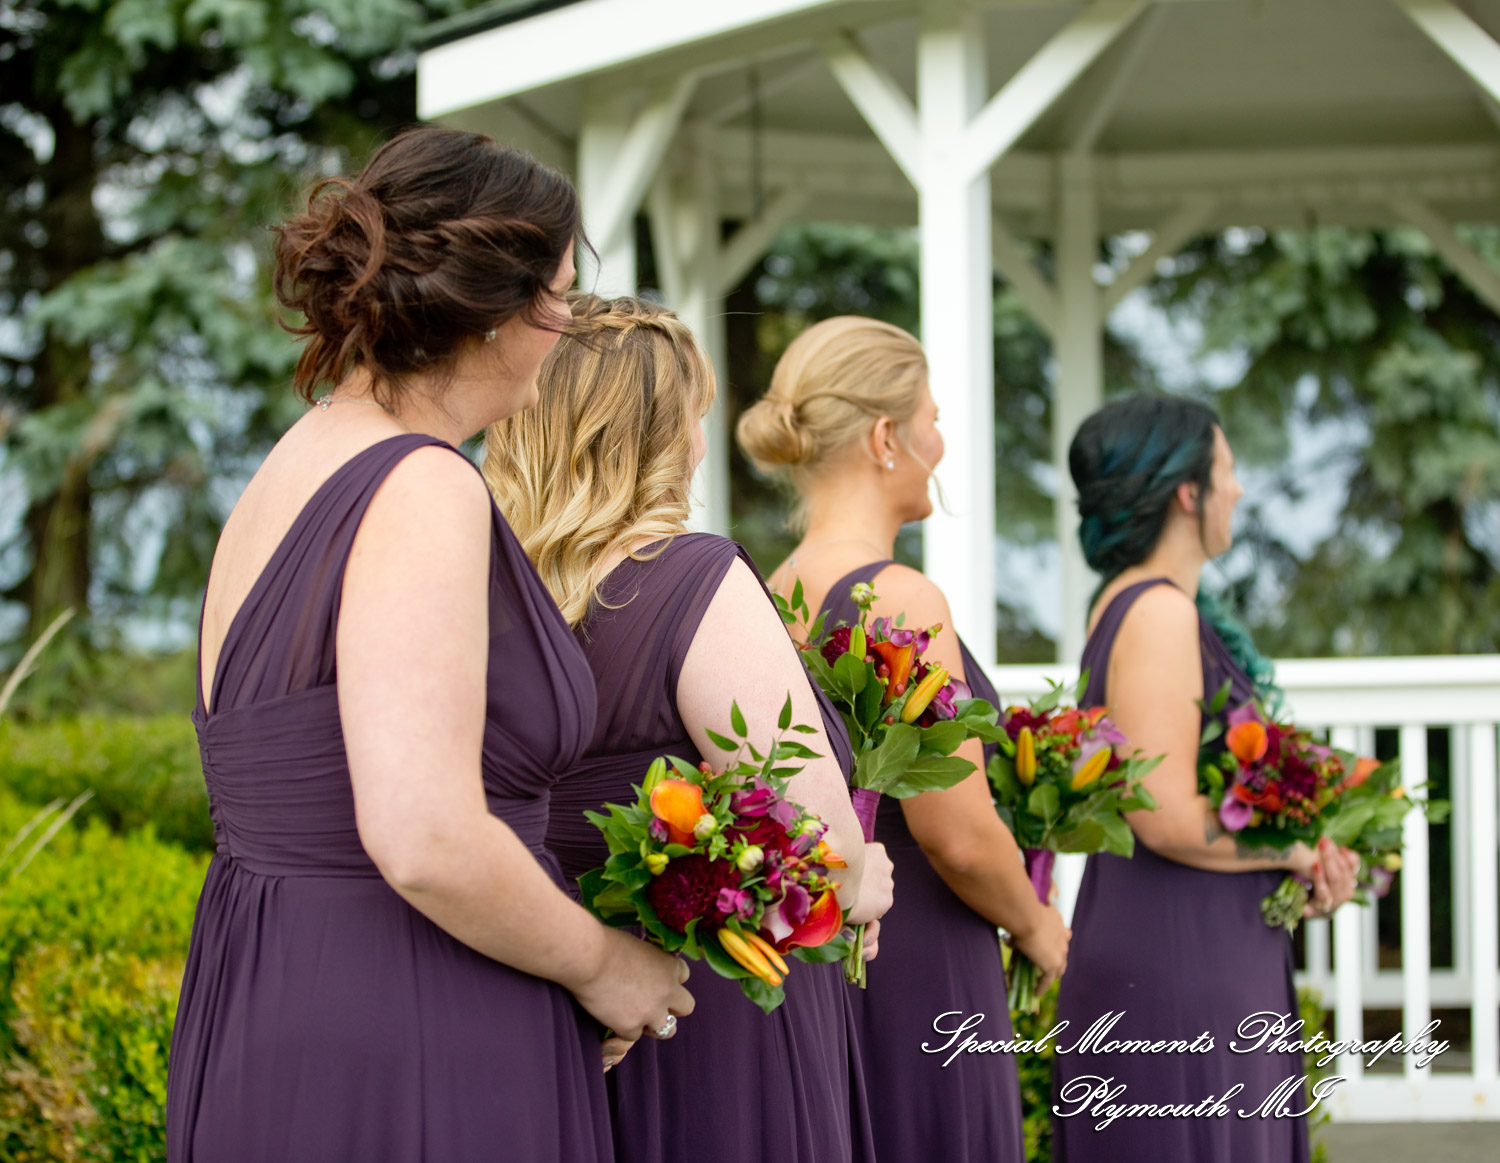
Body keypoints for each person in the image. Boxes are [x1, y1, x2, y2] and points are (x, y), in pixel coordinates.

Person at [167, 128, 691, 1163]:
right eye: (565, 298)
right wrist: (604, 962)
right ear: (500, 310)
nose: (567, 332)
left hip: (264, 979)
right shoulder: (423, 484)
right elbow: (424, 835)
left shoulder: (295, 461)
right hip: (408, 1003)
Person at [485, 294, 893, 1163]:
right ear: (659, 435)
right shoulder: (685, 576)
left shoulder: (487, 600)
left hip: (550, 1022)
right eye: (694, 418)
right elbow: (824, 846)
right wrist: (861, 881)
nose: (702, 447)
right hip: (709, 1031)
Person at [736, 315, 1070, 1163]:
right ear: (887, 437)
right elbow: (953, 830)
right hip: (923, 962)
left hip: (827, 959)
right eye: (932, 418)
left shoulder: (767, 595)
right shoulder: (901, 597)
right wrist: (1036, 928)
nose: (942, 441)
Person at [1052, 393, 1360, 1163]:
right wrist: (1295, 850)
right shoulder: (1157, 612)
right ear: (1188, 492)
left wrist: (1298, 856)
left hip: (1197, 950)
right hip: (1178, 971)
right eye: (1227, 470)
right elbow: (1165, 815)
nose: (1240, 489)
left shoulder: (1133, 604)